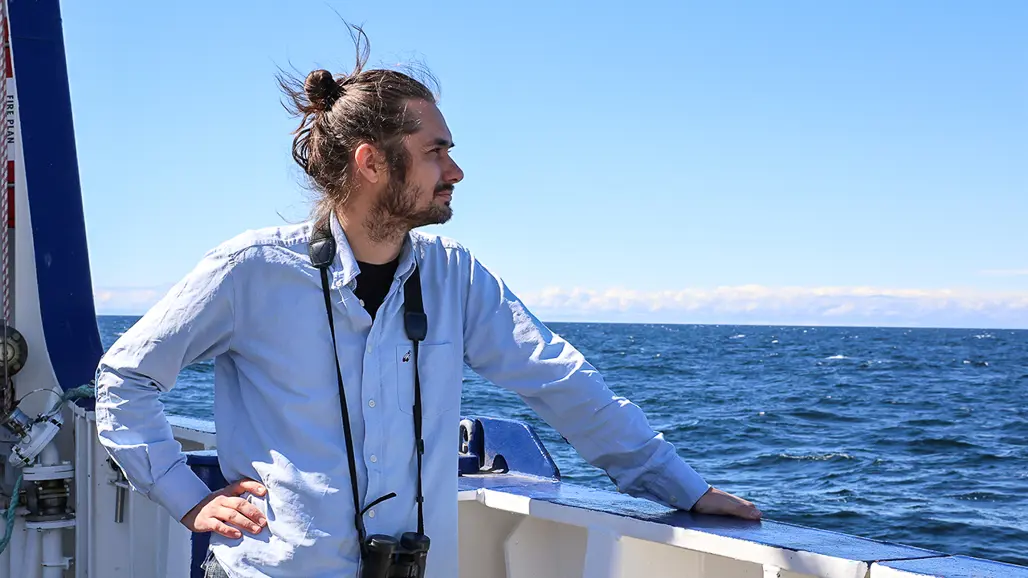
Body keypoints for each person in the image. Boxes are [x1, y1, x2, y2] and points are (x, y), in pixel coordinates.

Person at [94, 27, 761, 578]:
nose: (456, 171)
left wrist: (683, 488)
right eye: (436, 151)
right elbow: (125, 378)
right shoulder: (252, 270)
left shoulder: (455, 276)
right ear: (371, 163)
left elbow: (559, 381)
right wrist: (186, 497)